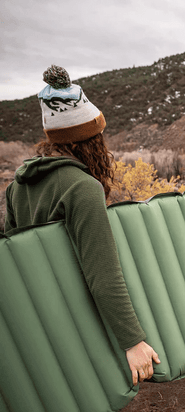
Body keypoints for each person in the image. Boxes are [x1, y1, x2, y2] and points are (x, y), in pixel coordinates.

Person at [4, 65, 160, 386]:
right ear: (90, 138)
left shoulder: (16, 186)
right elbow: (102, 275)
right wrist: (132, 342)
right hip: (77, 319)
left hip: (36, 318)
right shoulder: (82, 186)